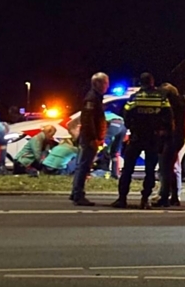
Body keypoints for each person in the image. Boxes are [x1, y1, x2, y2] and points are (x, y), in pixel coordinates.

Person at [112, 72, 172, 210]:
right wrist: (163, 133)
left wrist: (132, 128)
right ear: (152, 82)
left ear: (141, 82)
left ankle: (122, 199)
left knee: (127, 169)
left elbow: (126, 115)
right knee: (150, 170)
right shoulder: (161, 98)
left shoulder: (136, 97)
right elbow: (168, 117)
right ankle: (145, 200)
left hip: (137, 137)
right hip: (153, 138)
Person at [71, 73, 109, 206]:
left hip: (90, 138)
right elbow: (88, 121)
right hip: (89, 138)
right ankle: (78, 194)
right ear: (98, 83)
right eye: (105, 83)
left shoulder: (95, 98)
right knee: (84, 166)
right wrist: (93, 138)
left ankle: (75, 192)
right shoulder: (92, 99)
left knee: (82, 165)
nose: (107, 86)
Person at [155, 83, 185, 208]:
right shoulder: (181, 103)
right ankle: (174, 196)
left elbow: (165, 121)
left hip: (169, 137)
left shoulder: (169, 104)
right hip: (179, 137)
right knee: (169, 167)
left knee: (165, 168)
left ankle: (164, 197)